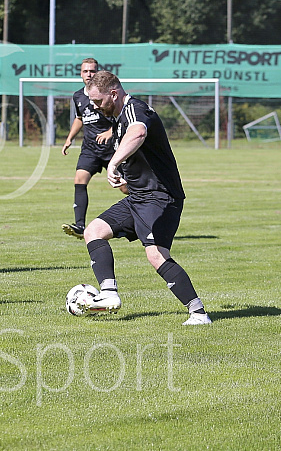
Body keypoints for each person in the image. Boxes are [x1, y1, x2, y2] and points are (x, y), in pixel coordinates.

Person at [81, 70, 211, 326]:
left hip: (161, 198)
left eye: (98, 101)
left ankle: (199, 313)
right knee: (93, 231)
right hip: (139, 197)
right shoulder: (117, 120)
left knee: (156, 255)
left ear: (114, 94)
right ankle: (108, 294)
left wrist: (113, 163)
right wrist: (124, 180)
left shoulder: (135, 110)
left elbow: (139, 133)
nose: (95, 107)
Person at [61, 58, 119, 240]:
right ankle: (79, 226)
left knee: (125, 188)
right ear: (80, 73)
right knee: (79, 179)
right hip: (90, 148)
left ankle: (145, 216)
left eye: (92, 71)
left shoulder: (108, 94)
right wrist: (70, 138)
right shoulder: (78, 96)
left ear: (98, 72)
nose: (89, 75)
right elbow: (80, 118)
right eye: (85, 71)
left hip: (113, 148)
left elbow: (121, 116)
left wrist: (111, 132)